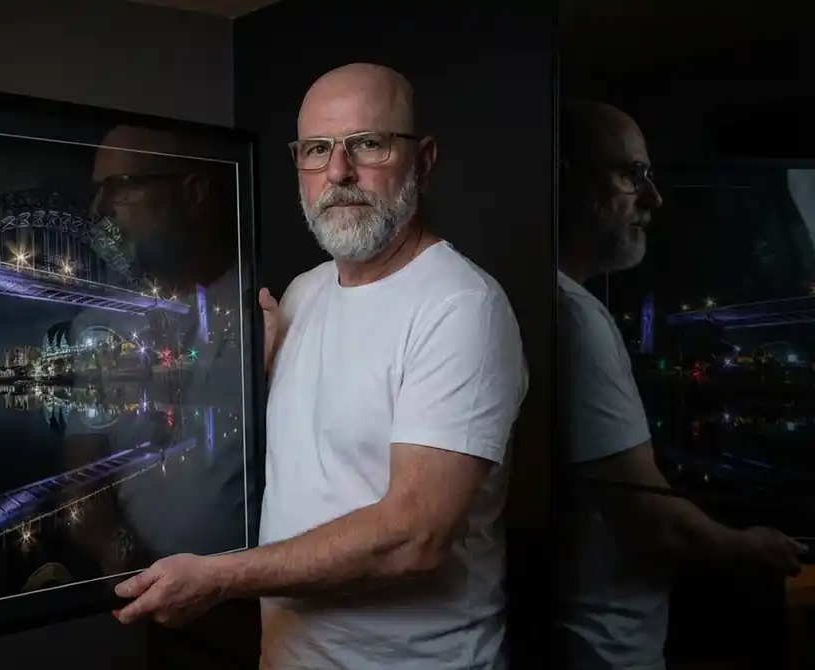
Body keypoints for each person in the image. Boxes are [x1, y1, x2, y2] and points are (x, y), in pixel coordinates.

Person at [112, 62, 529, 670]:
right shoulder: (304, 294)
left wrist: (220, 578)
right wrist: (245, 376)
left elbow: (413, 538)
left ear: (425, 159)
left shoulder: (463, 309)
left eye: (368, 143)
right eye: (317, 149)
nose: (339, 172)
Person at [555, 98, 808, 669]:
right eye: (630, 174)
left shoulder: (552, 303)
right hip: (601, 650)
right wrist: (751, 547)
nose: (654, 199)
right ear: (563, 180)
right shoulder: (574, 318)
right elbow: (654, 524)